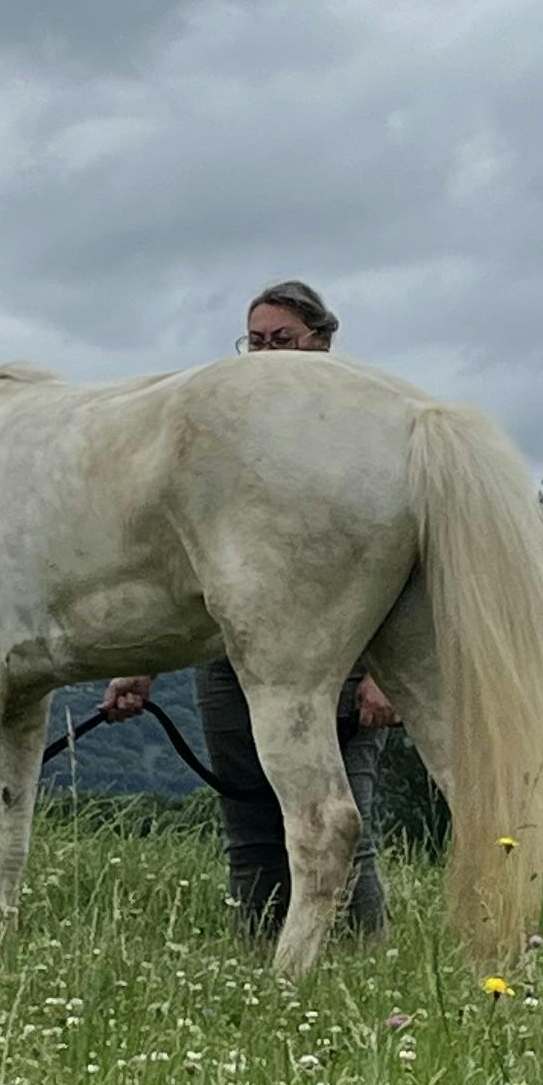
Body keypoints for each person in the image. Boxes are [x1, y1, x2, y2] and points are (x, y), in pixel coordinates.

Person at [99, 279, 395, 942]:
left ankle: (364, 962)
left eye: (281, 341)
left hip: (339, 663)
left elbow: (384, 569)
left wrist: (383, 675)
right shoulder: (231, 446)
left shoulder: (363, 436)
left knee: (344, 819)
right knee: (251, 823)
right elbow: (182, 563)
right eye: (255, 342)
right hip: (228, 658)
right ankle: (260, 958)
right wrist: (138, 663)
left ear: (322, 341)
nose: (264, 356)